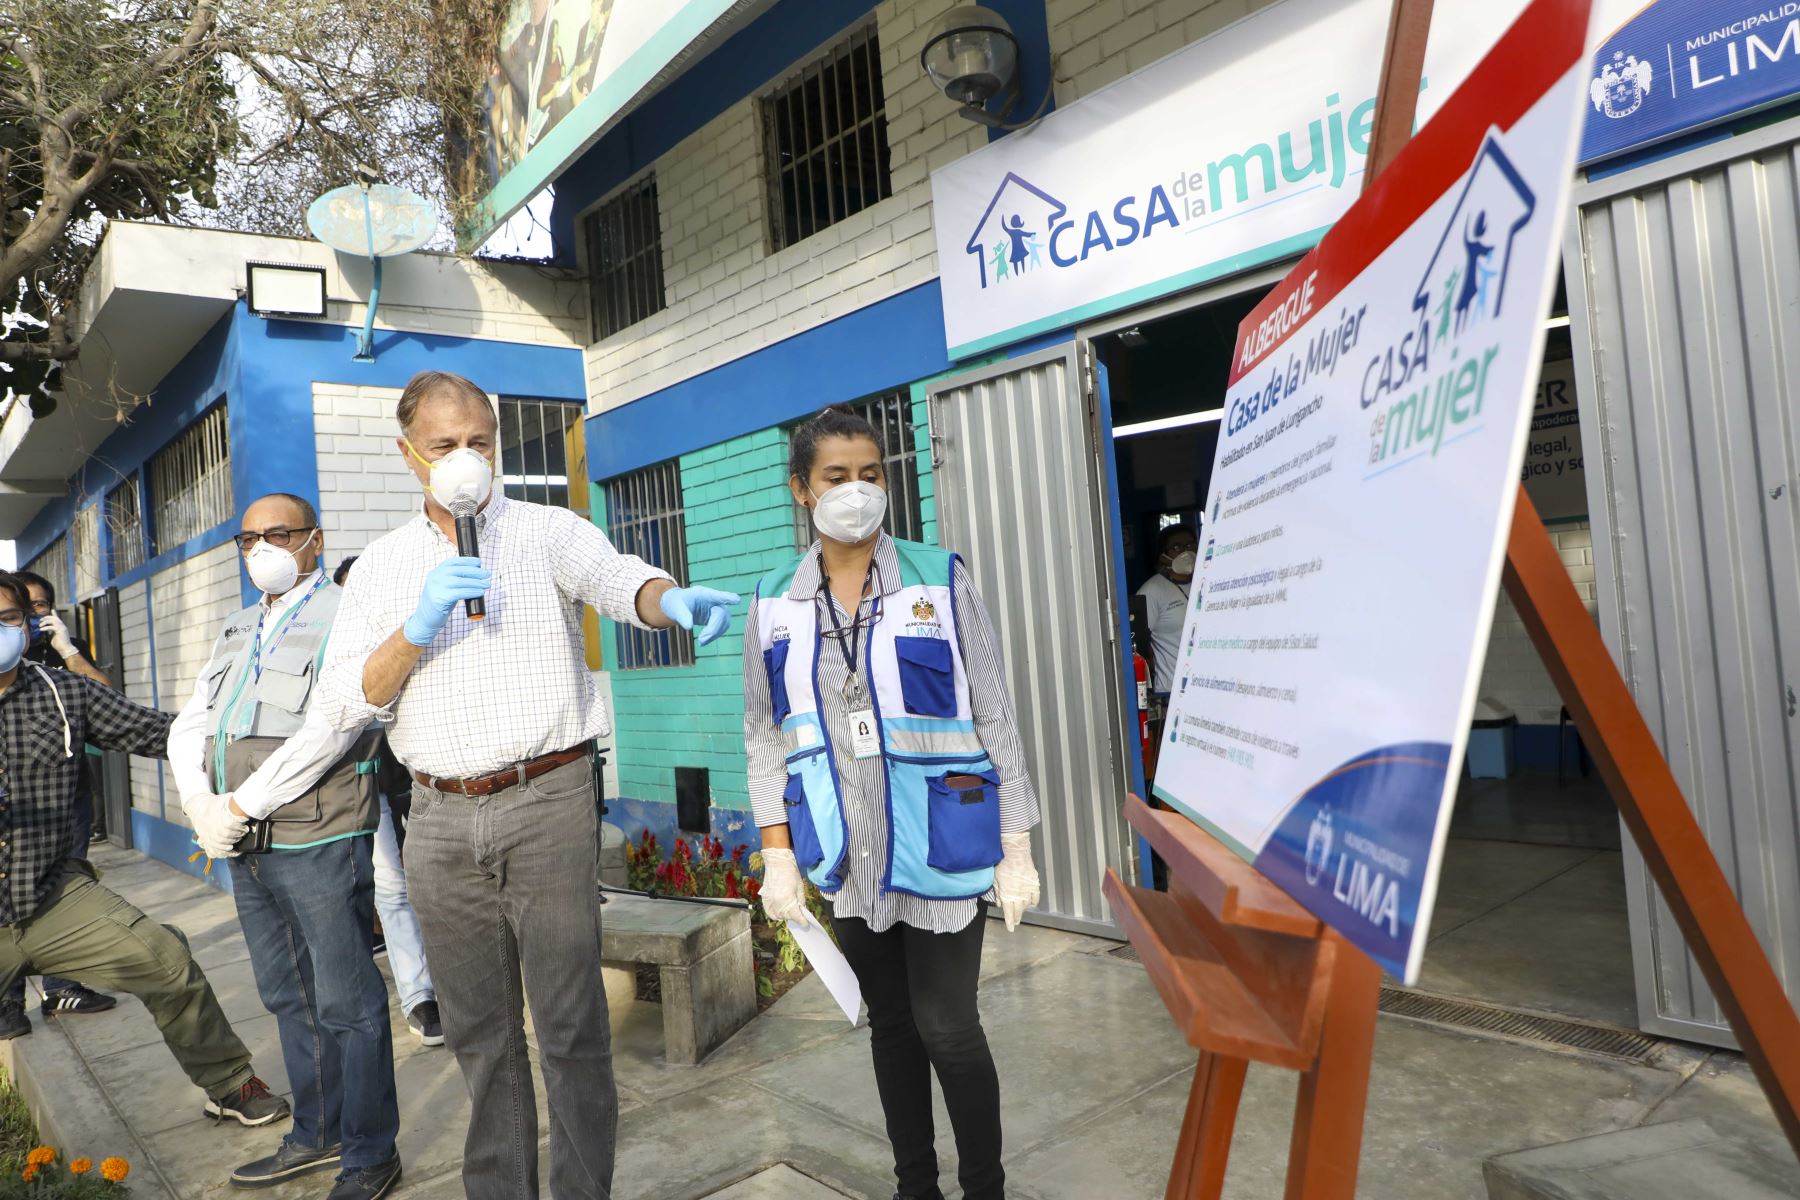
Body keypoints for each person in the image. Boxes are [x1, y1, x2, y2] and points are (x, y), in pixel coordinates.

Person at [317, 370, 741, 1200]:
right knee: (481, 1036)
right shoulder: (382, 569)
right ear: (410, 456)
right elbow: (351, 697)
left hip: (547, 799)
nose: (466, 460)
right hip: (437, 816)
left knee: (572, 1025)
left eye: (480, 442)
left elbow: (619, 580)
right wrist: (416, 626)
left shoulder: (547, 530)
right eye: (445, 446)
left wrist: (669, 599)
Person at [747, 407, 1043, 1200]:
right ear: (801, 491)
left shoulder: (938, 576)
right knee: (892, 1027)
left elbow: (994, 713)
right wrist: (778, 853)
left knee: (948, 1026)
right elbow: (764, 736)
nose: (857, 490)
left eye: (871, 474)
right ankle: (916, 1185)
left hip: (942, 840)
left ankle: (984, 1188)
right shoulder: (774, 600)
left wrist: (1016, 844)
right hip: (851, 852)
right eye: (837, 477)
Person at [168, 495, 401, 1200]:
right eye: (248, 538)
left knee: (346, 1002)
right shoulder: (239, 624)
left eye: (278, 534)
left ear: (314, 539)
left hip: (318, 838)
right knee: (286, 996)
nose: (260, 548)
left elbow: (330, 731)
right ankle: (316, 1131)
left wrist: (238, 805)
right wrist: (199, 805)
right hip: (247, 848)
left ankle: (369, 1152)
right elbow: (192, 720)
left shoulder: (348, 616)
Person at [0, 570, 289, 1129]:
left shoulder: (63, 693)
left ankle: (230, 1084)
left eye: (7, 619)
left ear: (29, 624)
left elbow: (162, 734)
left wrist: (268, 745)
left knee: (167, 962)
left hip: (52, 897)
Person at [0, 571, 118, 1032]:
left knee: (63, 886)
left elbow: (108, 703)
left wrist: (68, 650)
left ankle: (62, 986)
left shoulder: (58, 660)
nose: (14, 625)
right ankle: (8, 1000)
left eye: (25, 612)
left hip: (65, 796)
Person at [333, 554, 442, 1050]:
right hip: (363, 780)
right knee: (393, 887)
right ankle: (420, 995)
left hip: (419, 771)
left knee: (438, 882)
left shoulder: (408, 629)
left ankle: (451, 981)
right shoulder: (338, 642)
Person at [1136, 525, 1197, 698]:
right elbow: (1138, 646)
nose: (1186, 552)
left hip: (1209, 687)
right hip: (1173, 692)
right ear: (1163, 554)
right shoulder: (1152, 591)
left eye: (1191, 545)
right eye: (1177, 547)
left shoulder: (1208, 582)